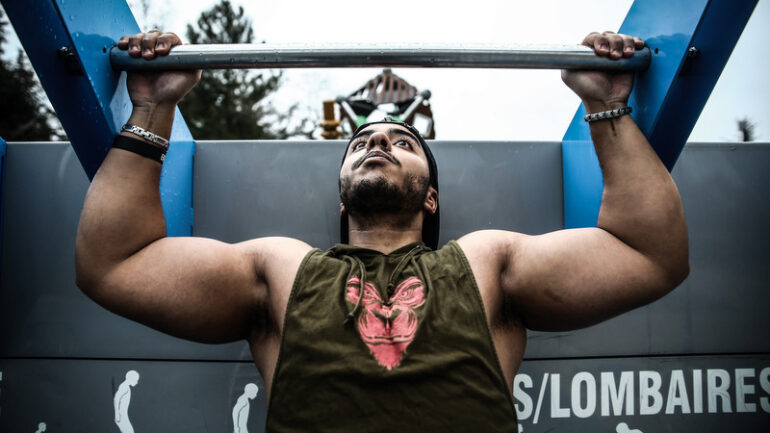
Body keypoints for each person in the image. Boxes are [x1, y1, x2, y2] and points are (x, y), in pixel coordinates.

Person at [76, 30, 688, 432]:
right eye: (363, 142)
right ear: (341, 198)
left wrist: (606, 104)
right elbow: (114, 264)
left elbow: (649, 255)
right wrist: (152, 107)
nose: (378, 140)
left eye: (404, 141)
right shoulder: (282, 269)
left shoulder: (485, 263)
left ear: (431, 193)